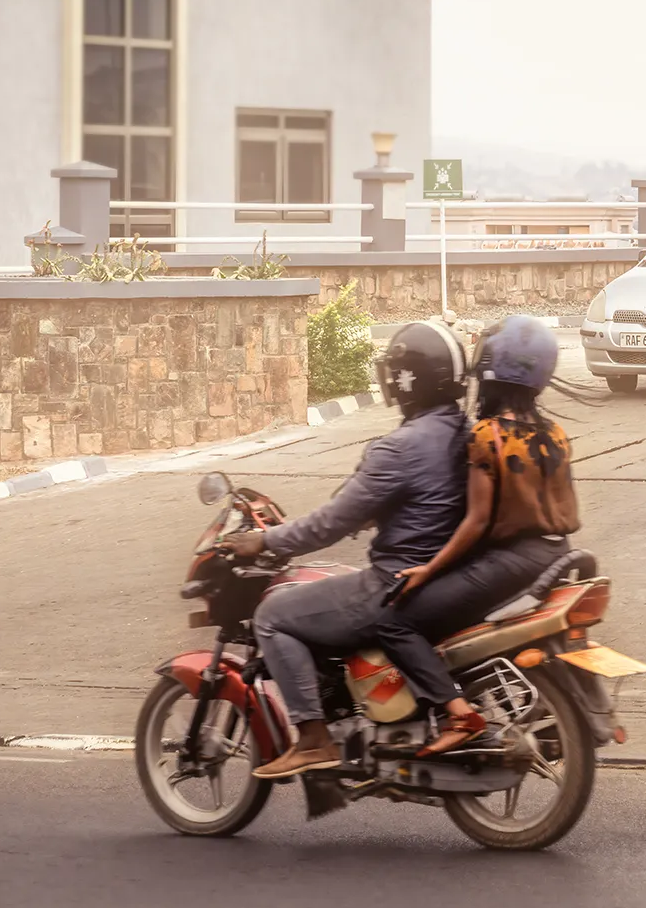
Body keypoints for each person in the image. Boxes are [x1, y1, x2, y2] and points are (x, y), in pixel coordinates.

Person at [235, 320, 469, 779]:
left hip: (394, 583)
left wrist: (265, 539)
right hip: (448, 579)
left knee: (274, 616)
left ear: (407, 379)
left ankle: (314, 740)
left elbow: (330, 523)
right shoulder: (464, 432)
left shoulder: (399, 448)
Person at [386, 314, 582, 756]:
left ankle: (458, 713)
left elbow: (475, 522)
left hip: (513, 562)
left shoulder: (486, 435)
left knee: (399, 618)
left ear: (489, 373)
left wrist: (429, 568)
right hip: (559, 554)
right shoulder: (555, 433)